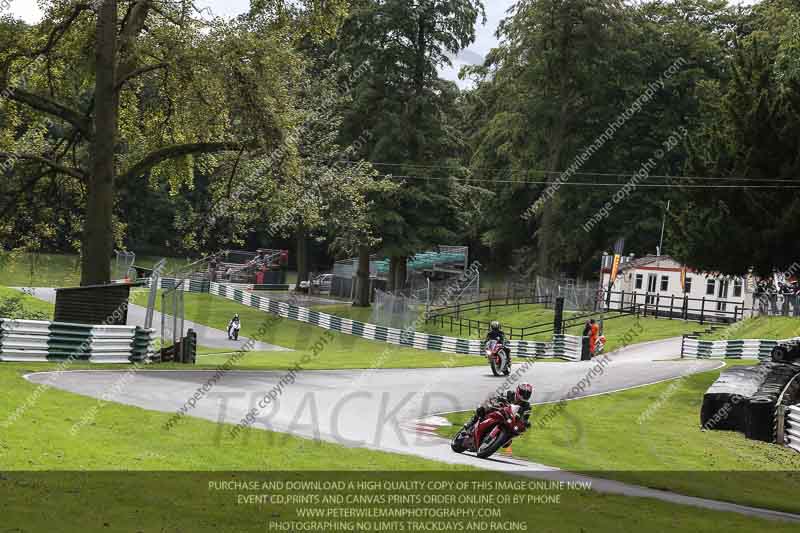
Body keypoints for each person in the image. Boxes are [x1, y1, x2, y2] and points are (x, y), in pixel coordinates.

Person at [464, 383, 534, 430]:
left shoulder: (527, 406)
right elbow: (497, 396)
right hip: (499, 411)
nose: (524, 396)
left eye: (527, 394)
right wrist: (495, 401)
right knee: (482, 408)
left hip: (509, 422)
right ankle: (472, 422)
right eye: (523, 393)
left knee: (509, 441)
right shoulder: (510, 393)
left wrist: (526, 423)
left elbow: (525, 419)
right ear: (518, 391)